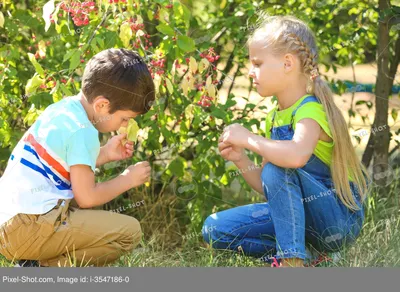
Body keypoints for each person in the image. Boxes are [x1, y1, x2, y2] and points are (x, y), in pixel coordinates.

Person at [202, 15, 369, 267]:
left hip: (335, 221)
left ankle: (290, 260)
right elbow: (270, 185)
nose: (250, 72)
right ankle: (309, 258)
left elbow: (296, 156)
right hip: (300, 220)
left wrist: (249, 138)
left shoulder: (310, 110)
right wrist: (241, 158)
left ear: (288, 63)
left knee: (279, 165)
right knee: (214, 229)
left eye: (257, 63)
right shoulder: (274, 118)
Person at [0, 48, 154, 267]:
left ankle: (34, 262)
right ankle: (41, 268)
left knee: (76, 205)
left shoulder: (64, 110)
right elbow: (87, 197)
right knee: (129, 232)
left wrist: (106, 154)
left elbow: (64, 163)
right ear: (102, 105)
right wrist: (127, 179)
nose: (125, 125)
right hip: (26, 229)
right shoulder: (84, 130)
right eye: (124, 118)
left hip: (8, 224)